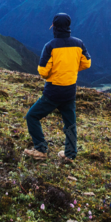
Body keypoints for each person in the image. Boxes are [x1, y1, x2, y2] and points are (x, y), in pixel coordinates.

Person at [23, 13, 91, 161]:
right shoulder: (79, 43)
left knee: (32, 116)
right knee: (70, 124)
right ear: (68, 26)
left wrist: (54, 73)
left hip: (53, 91)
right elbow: (87, 63)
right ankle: (70, 154)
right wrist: (70, 69)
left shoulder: (50, 46)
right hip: (70, 91)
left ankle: (40, 149)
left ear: (53, 27)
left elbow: (42, 71)